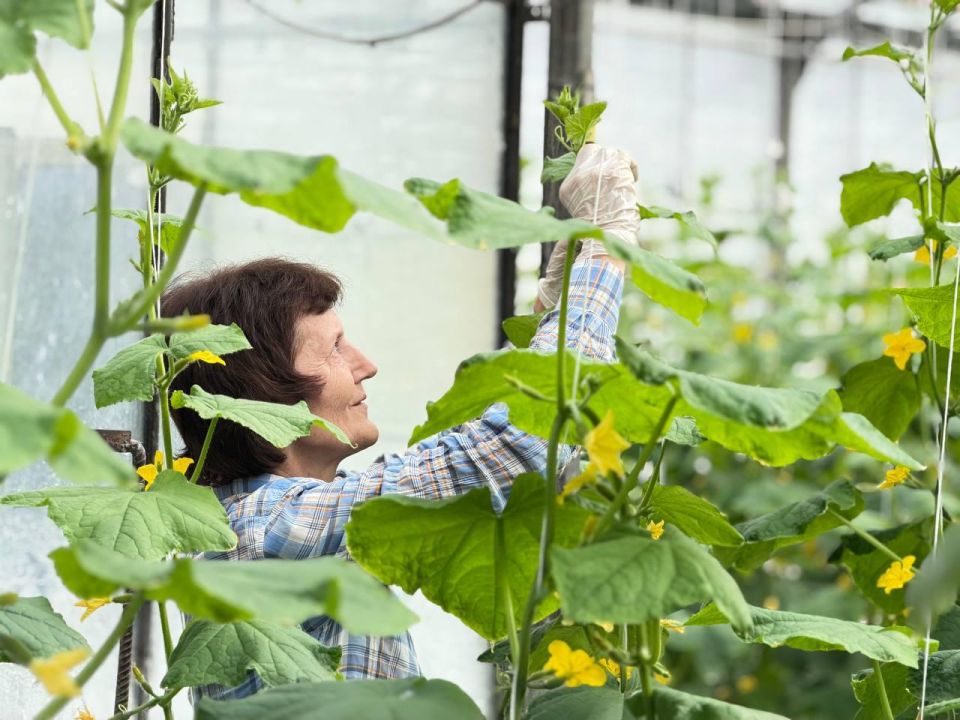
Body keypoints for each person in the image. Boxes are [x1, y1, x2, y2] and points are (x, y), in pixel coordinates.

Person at [161, 144, 640, 700]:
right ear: (267, 390)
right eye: (335, 350)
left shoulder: (294, 521)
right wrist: (607, 244)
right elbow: (517, 444)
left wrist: (548, 324)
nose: (366, 365)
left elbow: (488, 469)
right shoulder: (262, 533)